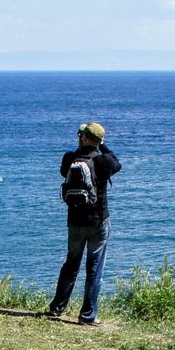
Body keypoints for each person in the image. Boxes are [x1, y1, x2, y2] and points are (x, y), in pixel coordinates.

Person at [47, 121, 121, 325]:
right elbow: (117, 163)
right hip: (99, 222)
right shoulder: (104, 161)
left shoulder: (70, 159)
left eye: (81, 134)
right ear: (99, 140)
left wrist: (85, 144)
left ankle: (57, 308)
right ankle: (87, 316)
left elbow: (64, 172)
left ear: (84, 137)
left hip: (75, 221)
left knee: (70, 265)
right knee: (94, 269)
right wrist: (102, 144)